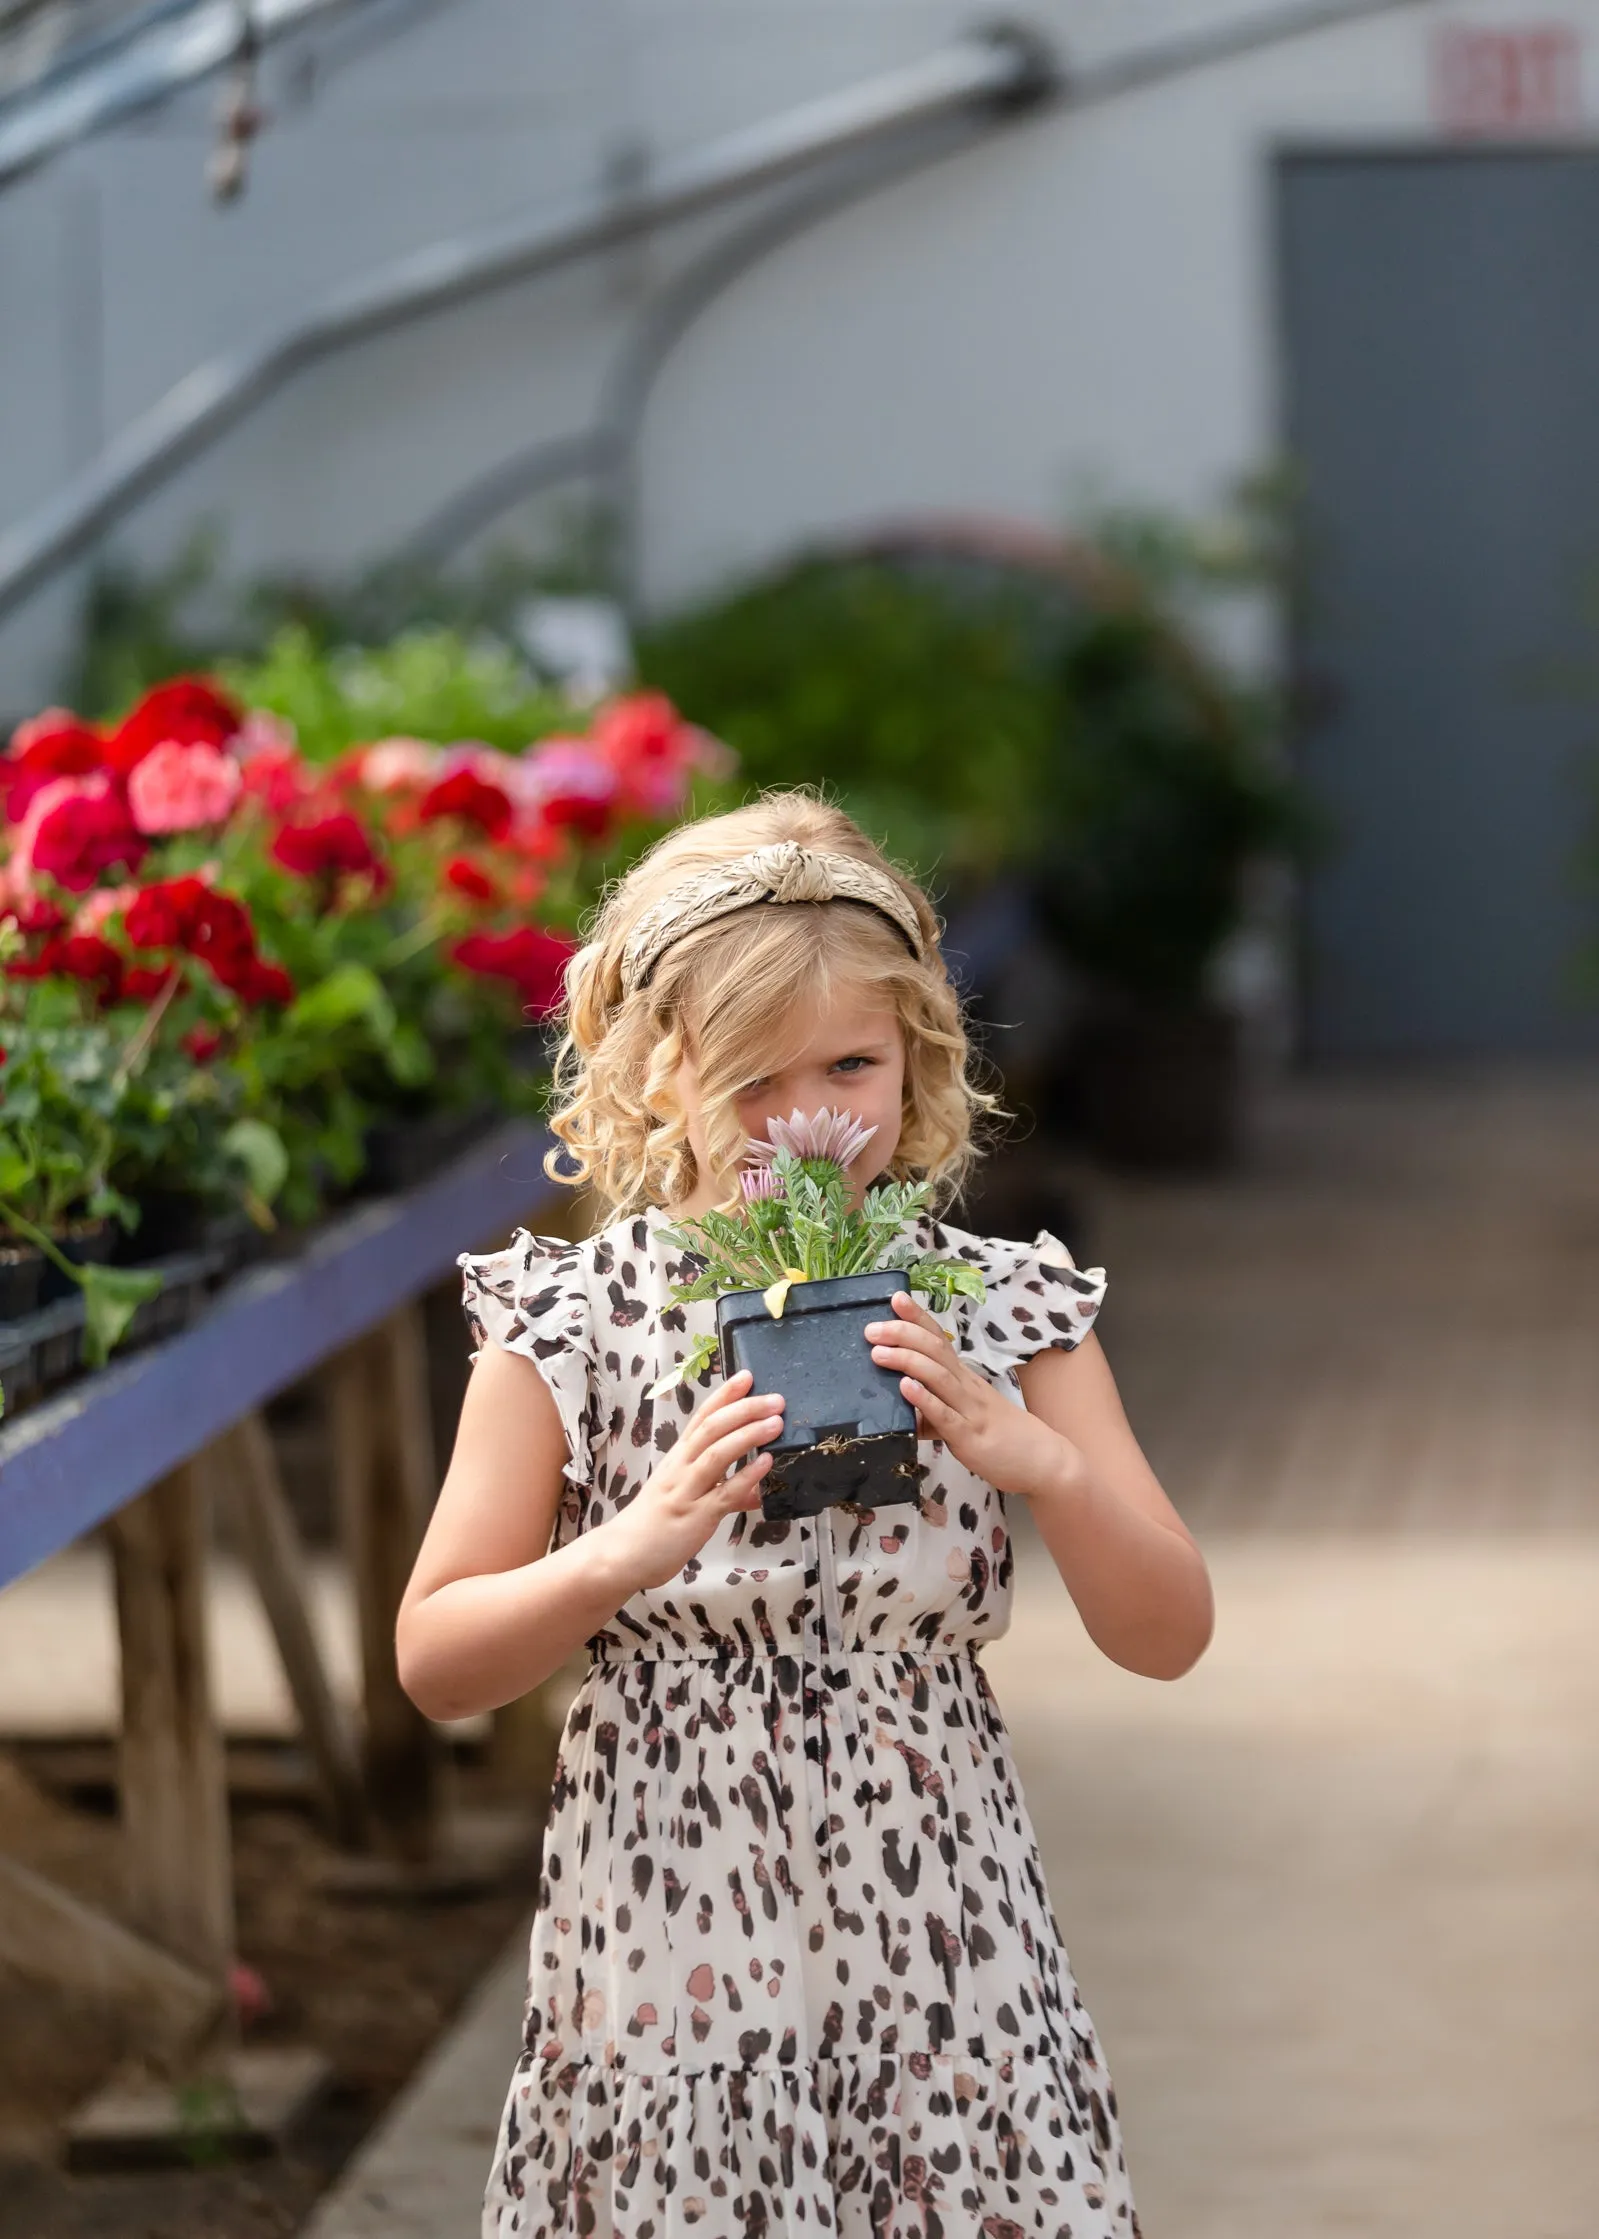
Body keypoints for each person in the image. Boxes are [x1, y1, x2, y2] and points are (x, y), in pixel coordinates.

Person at [398, 792, 1213, 2239]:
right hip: (672, 1925)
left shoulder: (1000, 1303)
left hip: (942, 1924)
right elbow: (438, 1656)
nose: (802, 1122)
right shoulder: (572, 1319)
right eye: (752, 1080)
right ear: (653, 1075)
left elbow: (1166, 1632)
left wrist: (1043, 1465)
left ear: (918, 1060)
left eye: (848, 1065)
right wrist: (621, 1548)